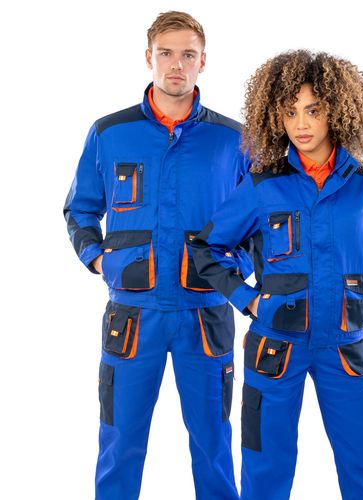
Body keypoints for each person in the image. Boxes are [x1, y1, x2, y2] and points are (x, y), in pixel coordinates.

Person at [192, 49, 363, 499]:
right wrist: (245, 297)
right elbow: (206, 247)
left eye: (313, 110)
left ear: (337, 111)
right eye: (290, 112)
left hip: (344, 347)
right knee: (265, 469)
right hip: (274, 348)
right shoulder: (264, 184)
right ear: (275, 116)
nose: (301, 124)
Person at [63, 11, 252, 500]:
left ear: (203, 61)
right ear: (148, 57)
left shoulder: (234, 140)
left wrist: (234, 273)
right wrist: (98, 260)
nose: (176, 65)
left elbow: (260, 223)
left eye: (188, 54)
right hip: (131, 316)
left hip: (205, 314)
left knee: (213, 444)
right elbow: (80, 209)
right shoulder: (111, 132)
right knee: (120, 443)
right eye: (166, 53)